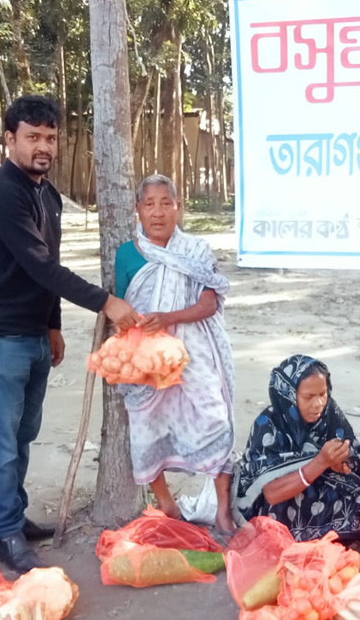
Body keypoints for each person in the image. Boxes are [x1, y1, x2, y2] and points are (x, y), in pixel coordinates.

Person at [0, 95, 139, 572]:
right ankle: (2, 533)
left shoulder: (48, 195)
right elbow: (39, 265)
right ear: (9, 140)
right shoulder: (1, 191)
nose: (43, 146)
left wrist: (53, 325)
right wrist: (106, 302)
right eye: (33, 137)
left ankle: (12, 518)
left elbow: (47, 268)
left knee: (22, 436)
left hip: (33, 333)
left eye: (51, 138)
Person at [113, 174, 235, 532]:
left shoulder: (195, 251)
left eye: (166, 203)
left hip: (195, 352)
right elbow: (123, 310)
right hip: (149, 359)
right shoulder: (127, 254)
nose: (158, 212)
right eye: (149, 204)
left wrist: (169, 319)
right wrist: (133, 348)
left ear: (177, 207)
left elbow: (209, 303)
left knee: (217, 419)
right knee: (146, 425)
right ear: (138, 209)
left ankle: (223, 512)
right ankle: (167, 506)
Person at [234, 355, 360, 542]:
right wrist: (320, 461)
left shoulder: (329, 413)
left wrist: (342, 459)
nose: (319, 404)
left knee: (356, 492)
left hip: (318, 485)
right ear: (289, 395)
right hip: (280, 498)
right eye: (308, 397)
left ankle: (337, 533)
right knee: (281, 509)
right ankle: (290, 539)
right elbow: (272, 493)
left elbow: (354, 452)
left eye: (323, 394)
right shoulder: (268, 425)